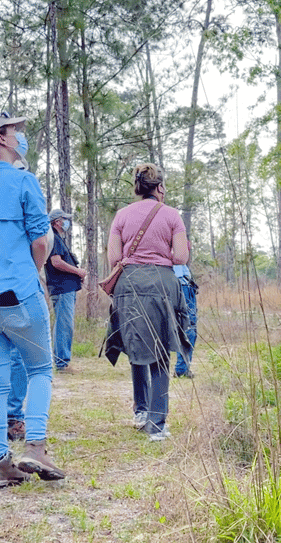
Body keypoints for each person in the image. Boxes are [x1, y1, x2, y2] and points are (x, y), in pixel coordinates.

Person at [0, 111, 66, 489]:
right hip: (17, 294)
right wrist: (33, 271)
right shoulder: (23, 182)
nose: (21, 135)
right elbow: (40, 240)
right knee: (39, 369)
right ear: (2, 139)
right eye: (16, 131)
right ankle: (35, 446)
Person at [101, 163, 191, 441]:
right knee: (161, 351)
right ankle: (157, 424)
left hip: (128, 284)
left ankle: (140, 411)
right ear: (160, 187)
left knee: (136, 345)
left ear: (138, 187)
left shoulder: (121, 215)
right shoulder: (172, 215)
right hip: (161, 284)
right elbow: (181, 258)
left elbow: (114, 258)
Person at [44, 209, 86, 372]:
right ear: (57, 222)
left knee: (63, 324)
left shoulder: (56, 239)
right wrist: (78, 272)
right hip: (62, 288)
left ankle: (61, 361)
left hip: (65, 288)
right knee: (64, 324)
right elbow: (56, 262)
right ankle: (62, 363)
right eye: (64, 219)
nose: (67, 222)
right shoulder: (53, 238)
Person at [173, 261, 198, 378]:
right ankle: (181, 369)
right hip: (181, 285)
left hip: (183, 284)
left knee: (187, 328)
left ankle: (182, 368)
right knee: (188, 327)